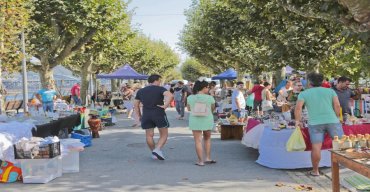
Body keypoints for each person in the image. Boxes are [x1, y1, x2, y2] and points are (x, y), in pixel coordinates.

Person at [295, 72, 343, 176]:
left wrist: (297, 122)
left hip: (315, 123)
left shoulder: (304, 93)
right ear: (322, 81)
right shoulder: (330, 91)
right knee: (340, 145)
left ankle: (315, 171)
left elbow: (298, 108)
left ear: (309, 82)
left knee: (316, 147)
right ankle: (346, 168)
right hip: (332, 121)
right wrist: (337, 117)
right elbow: (337, 105)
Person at [134, 74, 173, 160]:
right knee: (164, 134)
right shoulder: (160, 89)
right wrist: (165, 106)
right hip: (158, 113)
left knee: (149, 135)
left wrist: (139, 116)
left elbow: (136, 105)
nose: (160, 82)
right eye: (159, 80)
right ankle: (157, 149)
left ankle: (154, 153)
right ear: (156, 80)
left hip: (146, 114)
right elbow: (170, 95)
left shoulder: (141, 91)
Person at [187, 80, 216, 166]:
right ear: (204, 88)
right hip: (207, 119)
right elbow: (212, 109)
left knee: (198, 141)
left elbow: (188, 109)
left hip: (195, 120)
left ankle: (200, 161)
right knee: (207, 139)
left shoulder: (190, 98)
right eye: (207, 87)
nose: (208, 89)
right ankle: (208, 157)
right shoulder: (210, 98)